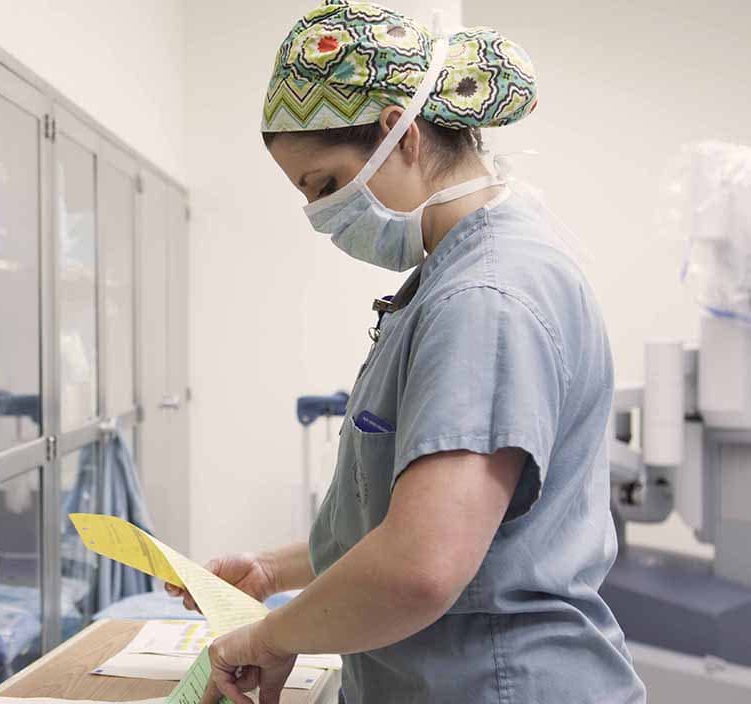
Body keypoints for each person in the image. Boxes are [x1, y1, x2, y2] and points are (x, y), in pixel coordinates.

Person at [167, 2, 647, 702]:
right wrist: (273, 572)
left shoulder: (486, 295)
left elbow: (422, 565)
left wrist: (264, 639)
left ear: (401, 134)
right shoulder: (458, 275)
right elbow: (421, 524)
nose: (323, 217)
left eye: (326, 186)